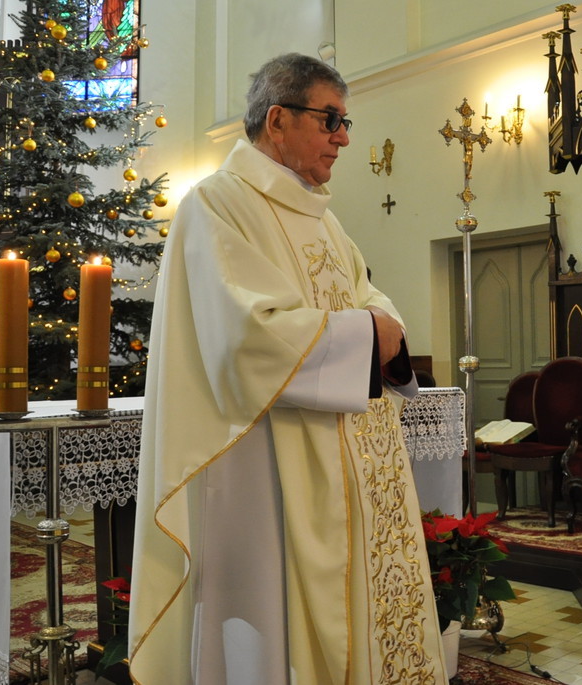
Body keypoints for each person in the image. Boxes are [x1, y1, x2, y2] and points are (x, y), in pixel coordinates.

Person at [129, 53, 448, 684]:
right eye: (331, 119)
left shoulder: (323, 218)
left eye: (346, 122)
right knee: (273, 632)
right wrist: (371, 332)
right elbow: (248, 338)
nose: (343, 138)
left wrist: (381, 327)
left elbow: (369, 295)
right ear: (277, 120)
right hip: (267, 466)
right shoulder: (216, 205)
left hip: (345, 456)